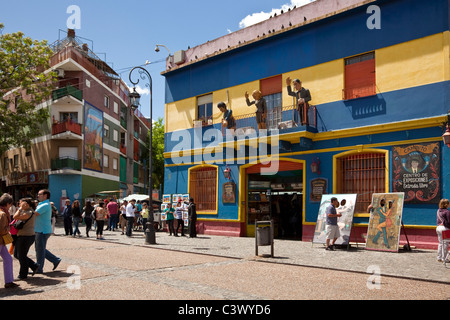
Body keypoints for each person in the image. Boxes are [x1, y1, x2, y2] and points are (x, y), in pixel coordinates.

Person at [35, 189, 61, 273]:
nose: (38, 196)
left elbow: (34, 213)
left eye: (40, 194)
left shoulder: (45, 205)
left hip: (42, 230)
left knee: (40, 249)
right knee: (40, 249)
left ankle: (39, 268)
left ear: (45, 195)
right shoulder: (42, 204)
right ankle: (55, 260)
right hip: (41, 229)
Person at [13, 198, 39, 280]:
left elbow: (15, 216)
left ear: (27, 204)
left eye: (21, 203)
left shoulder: (29, 212)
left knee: (21, 256)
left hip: (26, 236)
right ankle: (33, 265)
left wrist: (20, 209)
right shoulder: (26, 211)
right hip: (22, 236)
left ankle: (23, 274)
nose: (19, 205)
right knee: (16, 254)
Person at [0, 193, 18, 288]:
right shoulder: (3, 214)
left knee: (8, 259)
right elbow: (2, 230)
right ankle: (9, 281)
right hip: (1, 240)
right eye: (10, 204)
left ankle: (9, 281)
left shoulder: (2, 212)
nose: (10, 206)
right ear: (7, 203)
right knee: (8, 259)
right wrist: (9, 228)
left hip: (1, 242)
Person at [436, 198, 450, 263]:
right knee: (446, 243)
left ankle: (439, 257)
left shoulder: (438, 211)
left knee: (441, 243)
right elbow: (449, 221)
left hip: (438, 228)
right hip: (445, 228)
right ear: (446, 204)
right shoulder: (447, 212)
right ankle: (444, 258)